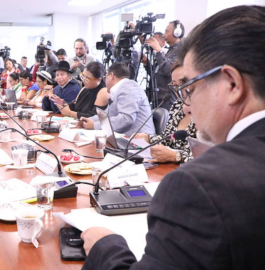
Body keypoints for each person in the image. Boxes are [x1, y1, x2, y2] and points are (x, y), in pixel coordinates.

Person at [81, 5, 265, 270]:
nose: (186, 103)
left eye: (189, 88)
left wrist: (106, 246)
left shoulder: (197, 186)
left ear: (232, 85)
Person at [134, 61, 196, 163]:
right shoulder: (177, 105)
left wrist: (176, 156)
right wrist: (148, 138)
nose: (178, 90)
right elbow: (168, 139)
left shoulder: (205, 111)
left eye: (182, 83)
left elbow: (206, 156)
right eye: (175, 85)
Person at [80, 62, 155, 136]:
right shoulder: (120, 89)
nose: (105, 81)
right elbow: (106, 115)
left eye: (105, 77)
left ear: (111, 75)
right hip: (126, 138)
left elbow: (126, 119)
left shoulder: (129, 88)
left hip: (139, 141)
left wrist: (95, 125)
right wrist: (87, 120)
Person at [144, 20, 185, 110]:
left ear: (177, 33)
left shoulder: (180, 49)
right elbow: (158, 73)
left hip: (167, 100)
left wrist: (159, 51)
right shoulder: (171, 50)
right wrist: (147, 63)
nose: (164, 35)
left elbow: (168, 70)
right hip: (159, 98)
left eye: (167, 31)